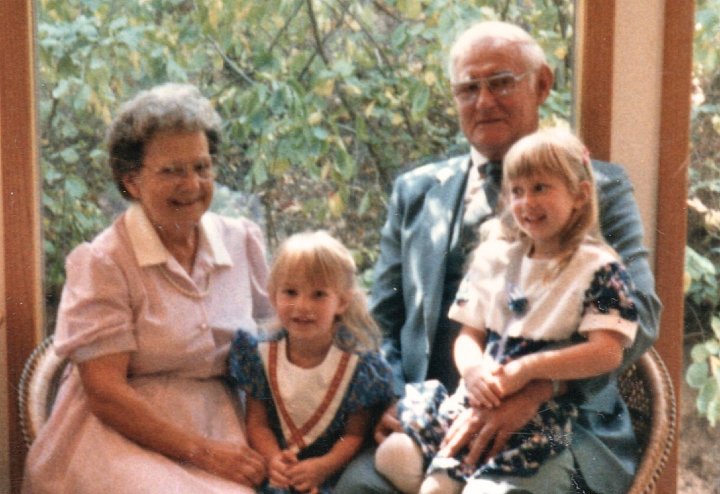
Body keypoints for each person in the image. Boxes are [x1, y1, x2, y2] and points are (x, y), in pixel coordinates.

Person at [336, 21, 661, 494]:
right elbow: (380, 320)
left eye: (502, 82)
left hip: (559, 422)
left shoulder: (599, 188)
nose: (484, 101)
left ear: (543, 84)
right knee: (356, 486)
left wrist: (535, 388)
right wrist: (393, 400)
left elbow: (644, 313)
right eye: (468, 88)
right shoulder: (416, 191)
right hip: (437, 417)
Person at [22, 83, 274, 493]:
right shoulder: (104, 262)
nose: (191, 184)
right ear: (132, 181)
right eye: (172, 170)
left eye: (201, 167)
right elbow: (106, 394)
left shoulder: (240, 241)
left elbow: (281, 340)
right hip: (119, 434)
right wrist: (204, 453)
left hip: (225, 420)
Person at [375, 128, 640, 493]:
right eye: (517, 191)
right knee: (401, 462)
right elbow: (469, 333)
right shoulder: (494, 258)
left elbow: (607, 351)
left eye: (541, 188)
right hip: (482, 394)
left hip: (542, 413)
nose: (526, 202)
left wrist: (530, 368)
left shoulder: (602, 269)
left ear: (579, 195)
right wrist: (472, 371)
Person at [228, 231, 395, 493]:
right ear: (273, 297)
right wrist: (274, 459)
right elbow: (257, 424)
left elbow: (353, 435)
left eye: (318, 295)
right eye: (291, 292)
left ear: (341, 301)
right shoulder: (259, 354)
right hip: (279, 470)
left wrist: (323, 466)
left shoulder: (359, 367)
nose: (302, 306)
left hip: (328, 472)